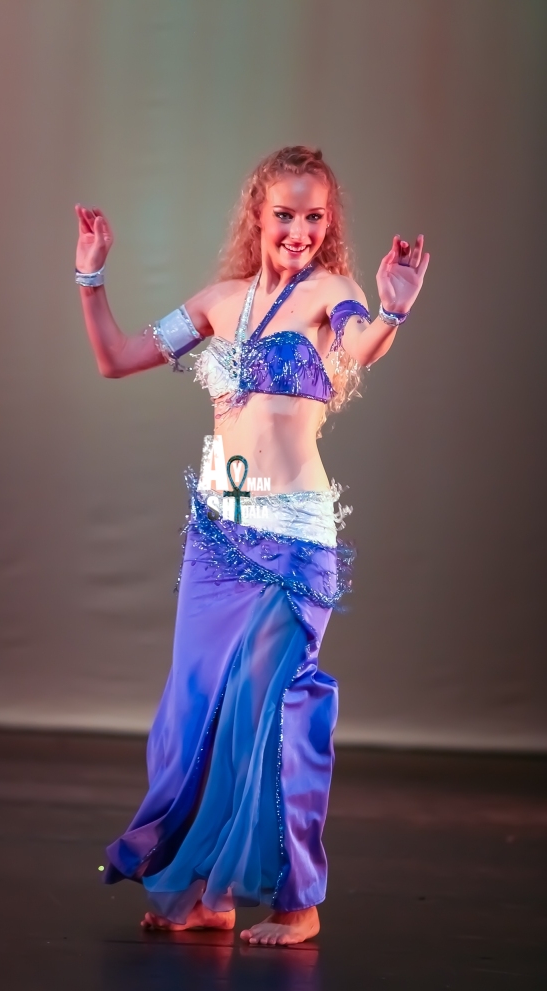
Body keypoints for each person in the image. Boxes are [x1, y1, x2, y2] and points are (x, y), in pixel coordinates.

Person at [75, 146, 429, 947]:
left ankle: (298, 904)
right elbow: (116, 358)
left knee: (273, 716)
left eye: (314, 216)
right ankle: (212, 896)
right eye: (285, 214)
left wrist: (393, 313)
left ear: (327, 223)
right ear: (258, 216)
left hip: (291, 536)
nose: (299, 230)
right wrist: (90, 275)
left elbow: (357, 345)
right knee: (197, 718)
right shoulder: (219, 302)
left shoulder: (332, 293)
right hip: (215, 535)